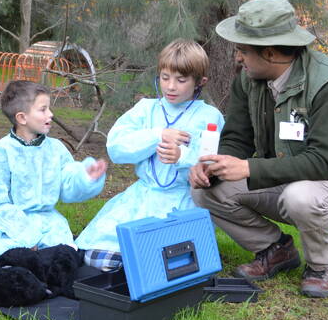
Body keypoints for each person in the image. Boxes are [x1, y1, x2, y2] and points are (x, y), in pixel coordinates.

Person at [189, 0, 328, 298]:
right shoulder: (249, 80)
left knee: (301, 196)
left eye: (244, 50)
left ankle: (322, 264)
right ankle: (275, 250)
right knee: (206, 189)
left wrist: (247, 168)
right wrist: (214, 165)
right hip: (282, 179)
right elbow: (238, 138)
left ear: (272, 53)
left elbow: (322, 162)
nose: (238, 57)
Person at [76, 39, 225, 271]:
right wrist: (158, 135)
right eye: (165, 78)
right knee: (95, 253)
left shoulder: (209, 116)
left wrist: (182, 156)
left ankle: (140, 267)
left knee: (166, 258)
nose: (171, 87)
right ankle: (130, 265)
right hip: (142, 197)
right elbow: (116, 147)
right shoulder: (147, 109)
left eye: (181, 80)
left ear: (200, 82)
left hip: (182, 201)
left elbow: (208, 164)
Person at [0, 80, 107, 260]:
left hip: (49, 224)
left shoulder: (55, 149)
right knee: (12, 260)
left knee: (64, 258)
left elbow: (67, 183)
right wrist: (25, 235)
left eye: (49, 108)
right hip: (8, 227)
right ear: (22, 118)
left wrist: (85, 176)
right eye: (43, 109)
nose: (50, 114)